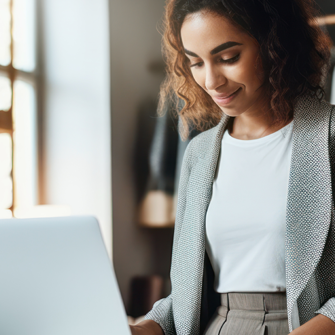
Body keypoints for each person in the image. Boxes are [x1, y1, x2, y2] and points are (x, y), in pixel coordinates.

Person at [130, 0, 335, 334]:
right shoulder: (199, 153)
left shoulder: (329, 136)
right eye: (195, 62)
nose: (211, 81)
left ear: (274, 45)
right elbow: (188, 296)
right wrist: (142, 328)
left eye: (228, 58)